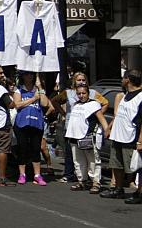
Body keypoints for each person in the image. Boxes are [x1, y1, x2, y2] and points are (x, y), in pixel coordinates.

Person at [52, 72, 110, 183]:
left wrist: (97, 117)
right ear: (74, 81)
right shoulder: (70, 95)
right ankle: (75, 177)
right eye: (79, 80)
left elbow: (105, 103)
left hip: (87, 130)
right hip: (72, 128)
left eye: (83, 80)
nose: (81, 82)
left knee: (91, 157)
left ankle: (94, 181)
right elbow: (54, 101)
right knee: (74, 156)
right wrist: (63, 114)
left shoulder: (93, 96)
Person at [100, 69, 142, 203]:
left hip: (131, 138)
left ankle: (140, 192)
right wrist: (110, 128)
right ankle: (118, 189)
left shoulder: (140, 97)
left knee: (137, 167)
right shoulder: (126, 95)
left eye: (123, 78)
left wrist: (140, 140)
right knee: (116, 165)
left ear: (128, 79)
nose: (122, 80)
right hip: (118, 136)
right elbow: (119, 115)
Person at [65, 85, 110, 193]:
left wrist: (106, 131)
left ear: (88, 93)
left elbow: (101, 119)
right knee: (78, 161)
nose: (81, 95)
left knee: (93, 161)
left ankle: (96, 183)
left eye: (83, 93)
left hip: (88, 137)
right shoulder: (75, 105)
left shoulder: (94, 104)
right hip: (74, 137)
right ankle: (82, 181)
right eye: (79, 93)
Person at [14, 71, 49, 186]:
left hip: (36, 123)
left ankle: (37, 175)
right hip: (22, 124)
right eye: (27, 74)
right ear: (23, 76)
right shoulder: (19, 90)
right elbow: (17, 104)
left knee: (36, 148)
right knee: (22, 148)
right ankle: (22, 174)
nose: (29, 76)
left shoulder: (38, 90)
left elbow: (44, 104)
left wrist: (39, 87)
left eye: (31, 74)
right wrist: (33, 99)